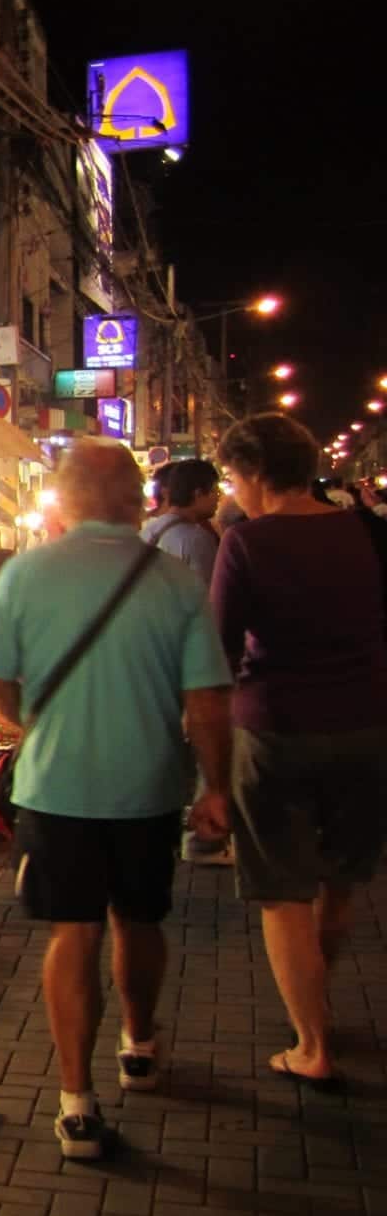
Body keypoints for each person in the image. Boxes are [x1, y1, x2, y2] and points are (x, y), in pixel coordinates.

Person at [0, 441, 232, 1159]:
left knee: (72, 933)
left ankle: (76, 1100)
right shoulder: (175, 580)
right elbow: (207, 701)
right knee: (140, 921)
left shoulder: (26, 573)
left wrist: (38, 725)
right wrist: (217, 789)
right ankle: (139, 1045)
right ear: (135, 499)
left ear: (66, 498)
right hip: (149, 783)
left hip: (55, 788)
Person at [213, 414, 387, 1089]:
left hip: (277, 730)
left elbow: (221, 648)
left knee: (282, 890)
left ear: (255, 472)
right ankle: (318, 1006)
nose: (233, 489)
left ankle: (311, 1041)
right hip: (367, 725)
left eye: (233, 476)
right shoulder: (369, 530)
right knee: (340, 880)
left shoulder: (248, 543)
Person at [140, 458, 221, 588]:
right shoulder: (197, 539)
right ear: (198, 494)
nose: (218, 497)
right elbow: (207, 596)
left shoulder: (147, 531)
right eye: (215, 491)